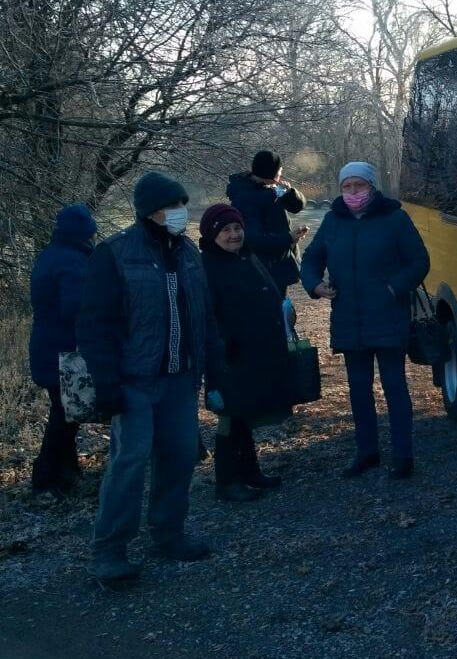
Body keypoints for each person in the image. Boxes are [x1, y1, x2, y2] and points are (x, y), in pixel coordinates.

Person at [77, 171, 226, 585]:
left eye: (181, 203)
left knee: (179, 456)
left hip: (181, 380)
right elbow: (94, 326)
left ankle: (168, 531)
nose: (179, 212)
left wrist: (216, 372)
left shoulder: (189, 254)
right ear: (148, 212)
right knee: (130, 460)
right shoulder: (115, 253)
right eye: (170, 206)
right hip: (134, 381)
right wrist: (107, 384)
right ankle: (109, 550)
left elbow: (206, 318)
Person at [300, 162, 429, 480]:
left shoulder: (394, 218)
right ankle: (367, 452)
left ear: (372, 187)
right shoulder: (333, 221)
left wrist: (393, 286)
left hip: (387, 316)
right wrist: (314, 284)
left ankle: (403, 456)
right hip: (349, 318)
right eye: (347, 186)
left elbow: (419, 261)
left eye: (359, 185)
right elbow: (312, 257)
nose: (353, 192)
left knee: (395, 387)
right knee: (358, 390)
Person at [198, 203, 292, 503]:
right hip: (228, 357)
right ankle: (226, 481)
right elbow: (207, 316)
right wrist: (224, 347)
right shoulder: (208, 266)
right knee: (229, 418)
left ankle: (250, 471)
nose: (234, 234)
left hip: (253, 353)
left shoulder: (246, 256)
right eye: (226, 230)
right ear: (213, 234)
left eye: (237, 228)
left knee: (244, 415)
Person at [28, 203, 96, 492]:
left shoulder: (51, 254)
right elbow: (74, 306)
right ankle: (47, 475)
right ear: (84, 234)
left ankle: (65, 470)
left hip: (47, 346)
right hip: (65, 351)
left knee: (66, 412)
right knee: (64, 415)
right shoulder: (72, 261)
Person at [226, 150, 308, 296]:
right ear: (273, 172)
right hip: (260, 271)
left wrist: (290, 192)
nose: (281, 174)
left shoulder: (272, 191)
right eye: (280, 170)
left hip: (276, 268)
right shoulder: (248, 199)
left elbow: (298, 206)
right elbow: (253, 240)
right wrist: (289, 238)